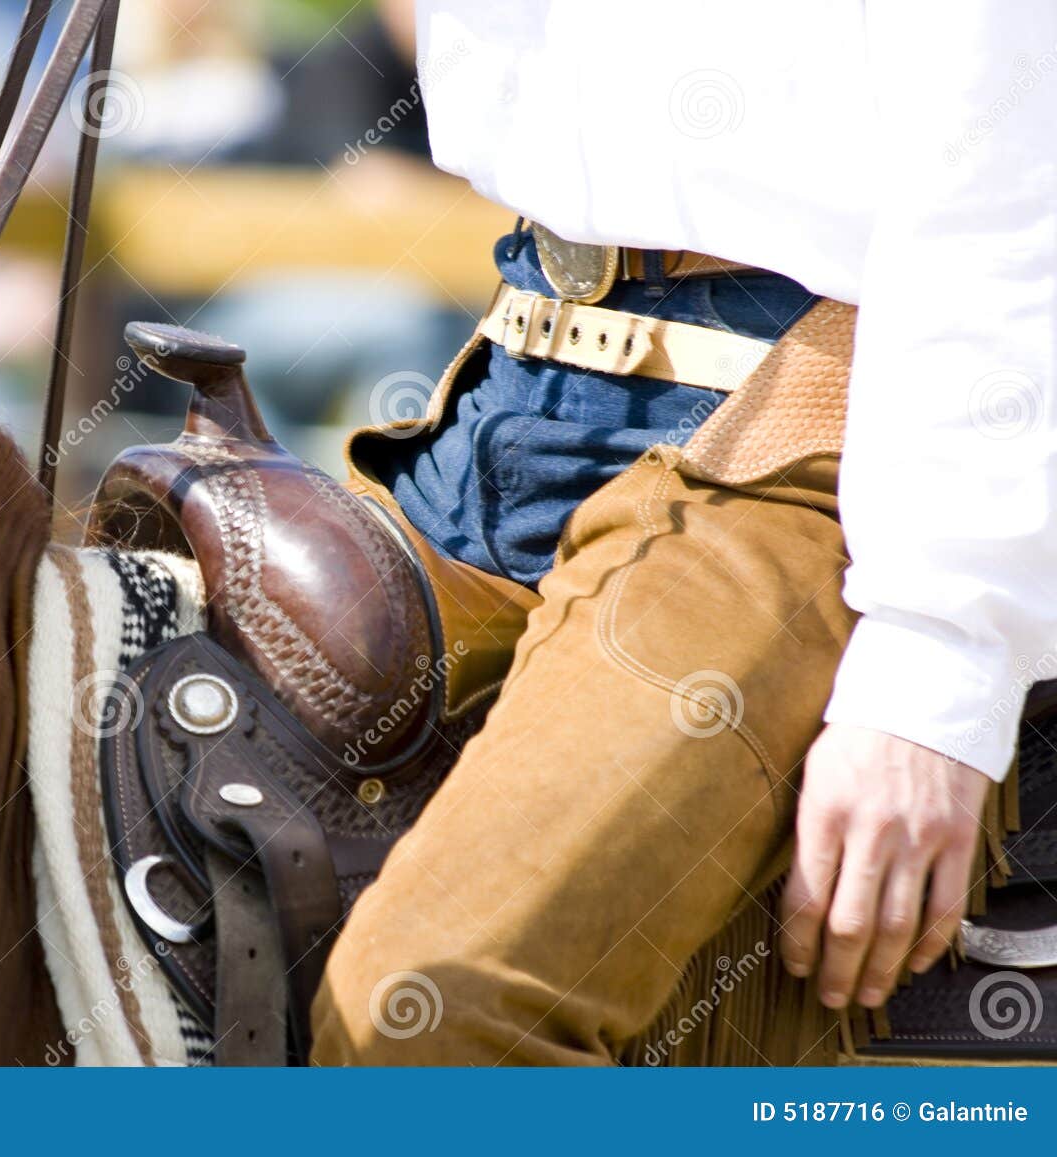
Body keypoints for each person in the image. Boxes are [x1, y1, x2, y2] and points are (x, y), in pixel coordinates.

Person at [310, 1, 1049, 1064]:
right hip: (503, 377)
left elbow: (1015, 168)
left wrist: (941, 657)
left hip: (819, 431)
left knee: (427, 1014)